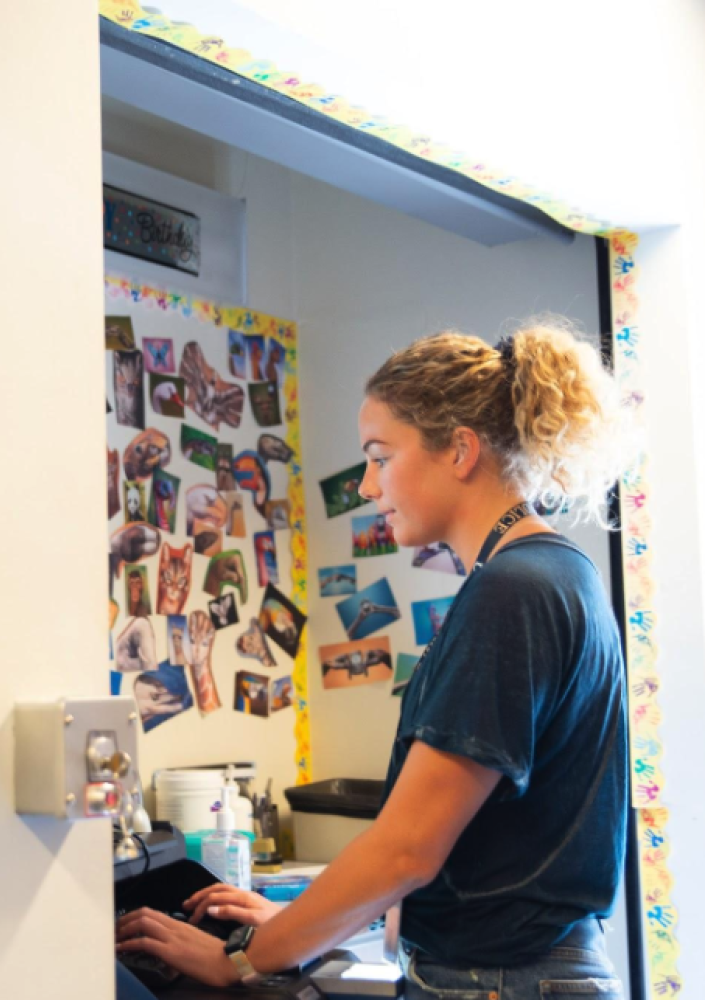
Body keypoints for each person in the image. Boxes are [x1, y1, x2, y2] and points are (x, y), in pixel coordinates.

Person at [117, 319, 634, 998]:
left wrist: (243, 959)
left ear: (459, 451)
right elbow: (468, 854)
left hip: (501, 980)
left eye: (380, 456)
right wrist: (297, 923)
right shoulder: (558, 576)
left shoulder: (513, 591)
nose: (366, 486)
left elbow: (406, 850)